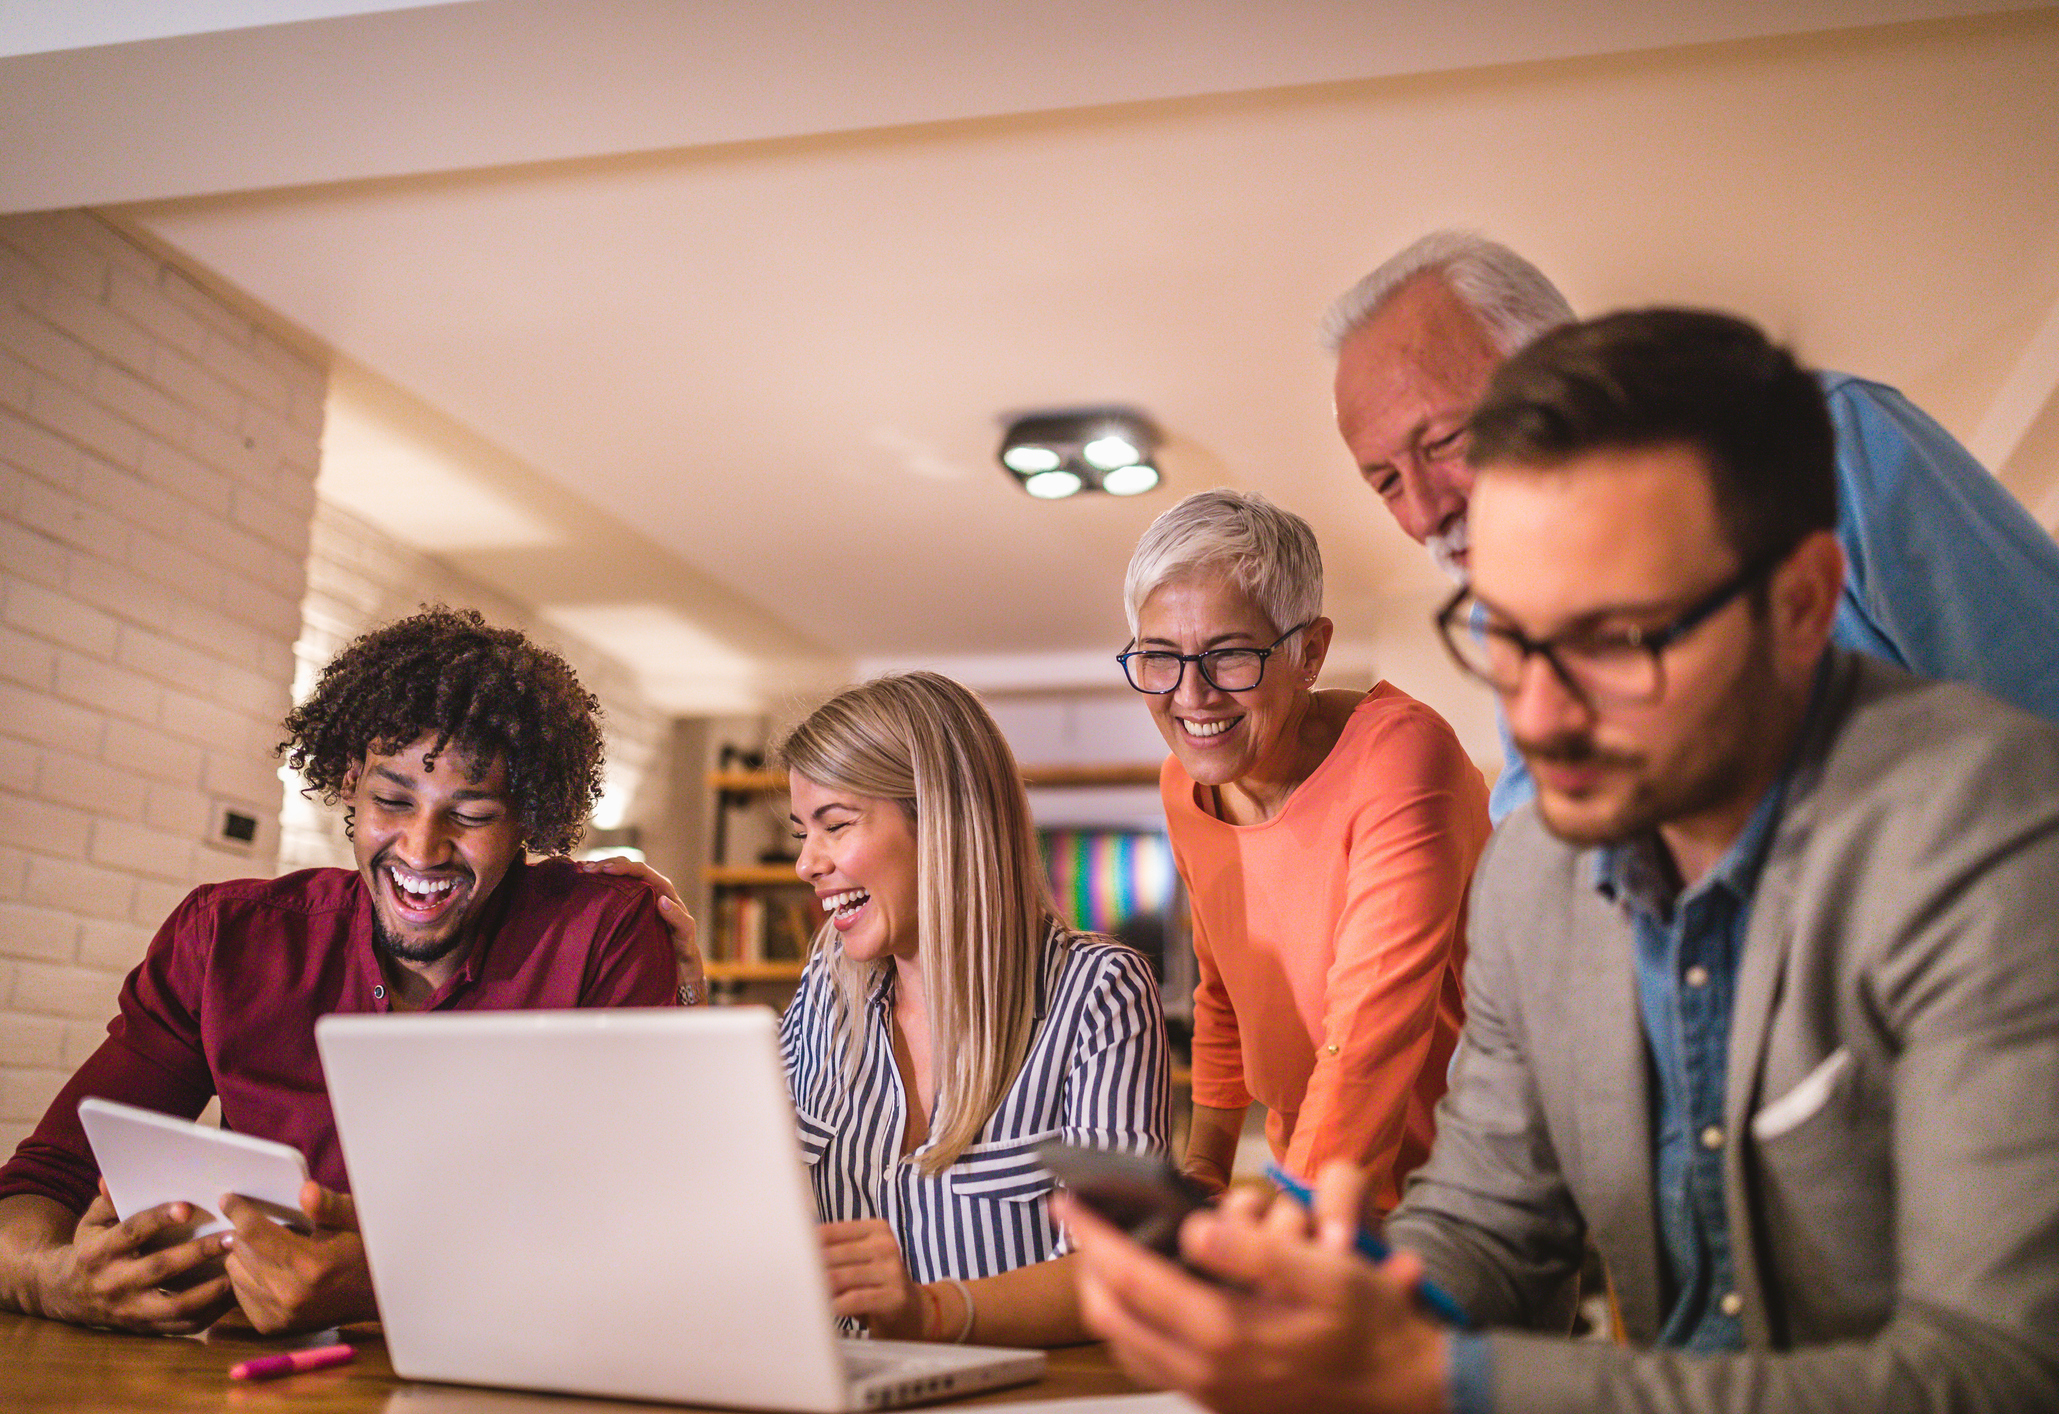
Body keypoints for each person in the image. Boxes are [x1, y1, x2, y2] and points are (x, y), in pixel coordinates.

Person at [1064, 310, 2059, 1412]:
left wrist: (1434, 1376)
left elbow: (2015, 1377)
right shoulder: (1538, 877)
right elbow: (1485, 1224)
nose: (1542, 715)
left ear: (1802, 602)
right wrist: (1337, 1301)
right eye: (1509, 636)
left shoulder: (2014, 839)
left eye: (1617, 641)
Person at [0, 606, 679, 1337]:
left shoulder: (604, 934)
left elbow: (650, 1237)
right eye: (392, 800)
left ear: (529, 822)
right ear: (349, 786)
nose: (422, 849)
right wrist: (51, 1279)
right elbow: (44, 1181)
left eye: (473, 814)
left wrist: (393, 1283)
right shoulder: (228, 939)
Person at [1327, 230, 2059, 818]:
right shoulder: (1499, 618)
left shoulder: (1830, 449)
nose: (1425, 509)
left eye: (1442, 442)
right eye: (1385, 481)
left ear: (1558, 361)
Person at [1118, 491, 1488, 1211]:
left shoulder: (1401, 757)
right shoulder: (1184, 786)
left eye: (1228, 656)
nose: (1190, 695)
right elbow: (1222, 993)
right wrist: (1202, 1180)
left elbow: (1371, 1028)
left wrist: (1296, 1217)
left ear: (1308, 653)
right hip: (1315, 1176)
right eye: (1159, 658)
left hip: (1463, 1197)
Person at [776, 671, 1168, 1346]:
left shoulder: (1097, 995)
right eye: (800, 833)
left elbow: (1124, 1268)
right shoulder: (824, 988)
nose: (807, 863)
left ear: (940, 821)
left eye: (834, 825)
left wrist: (926, 1312)